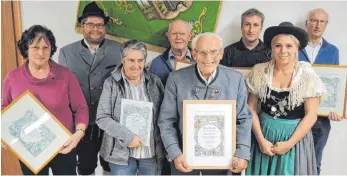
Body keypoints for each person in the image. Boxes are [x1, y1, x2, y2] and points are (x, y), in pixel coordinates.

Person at [158, 32, 252, 175]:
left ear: (221, 53)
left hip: (223, 161)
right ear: (194, 54)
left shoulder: (236, 79)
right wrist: (175, 153)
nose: (208, 58)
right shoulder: (176, 79)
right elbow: (166, 121)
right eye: (202, 52)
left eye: (214, 52)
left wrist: (242, 153)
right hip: (185, 159)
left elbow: (243, 119)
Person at [2, 25, 88, 175]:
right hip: (30, 149)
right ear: (26, 49)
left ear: (51, 49)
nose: (41, 52)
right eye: (35, 47)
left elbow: (81, 107)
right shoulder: (12, 78)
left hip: (64, 146)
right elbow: (5, 109)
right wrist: (4, 135)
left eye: (45, 47)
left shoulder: (65, 75)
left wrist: (79, 133)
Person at [245, 22, 327, 175]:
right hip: (264, 134)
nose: (283, 51)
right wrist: (261, 140)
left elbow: (311, 115)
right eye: (278, 45)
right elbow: (251, 108)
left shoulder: (307, 75)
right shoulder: (259, 71)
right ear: (272, 48)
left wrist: (289, 144)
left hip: (294, 139)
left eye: (289, 46)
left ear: (297, 49)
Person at [58, 2, 122, 174]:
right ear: (82, 26)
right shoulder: (66, 52)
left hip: (112, 120)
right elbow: (62, 89)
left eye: (100, 25)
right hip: (83, 122)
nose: (96, 29)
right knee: (86, 166)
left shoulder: (118, 49)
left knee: (111, 164)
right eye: (91, 24)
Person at [96, 40, 165, 175]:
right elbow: (102, 117)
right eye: (131, 60)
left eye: (140, 60)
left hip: (150, 154)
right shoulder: (111, 83)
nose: (136, 65)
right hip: (121, 154)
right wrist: (128, 137)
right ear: (123, 59)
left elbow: (164, 115)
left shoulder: (155, 82)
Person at [299, 8, 342, 174]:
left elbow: (336, 83)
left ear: (326, 25)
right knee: (294, 162)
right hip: (297, 116)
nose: (317, 25)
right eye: (314, 20)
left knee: (315, 163)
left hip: (321, 120)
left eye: (322, 21)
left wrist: (336, 109)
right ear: (306, 23)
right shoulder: (294, 47)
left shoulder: (333, 51)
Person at [148, 19, 195, 86]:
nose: (178, 37)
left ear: (190, 36)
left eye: (182, 34)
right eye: (174, 34)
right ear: (168, 36)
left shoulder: (201, 61)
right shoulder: (156, 64)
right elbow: (152, 93)